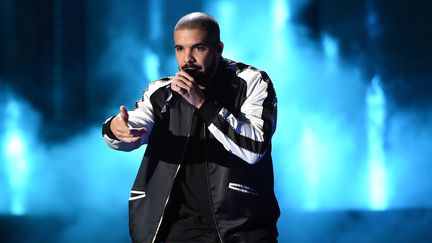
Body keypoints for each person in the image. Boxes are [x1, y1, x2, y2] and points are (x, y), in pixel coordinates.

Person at [102, 12, 280, 243]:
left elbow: (254, 148)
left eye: (198, 48)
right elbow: (134, 126)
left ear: (218, 48)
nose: (188, 59)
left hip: (239, 229)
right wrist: (117, 128)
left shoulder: (251, 82)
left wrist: (201, 103)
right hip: (171, 229)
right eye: (179, 49)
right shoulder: (162, 92)